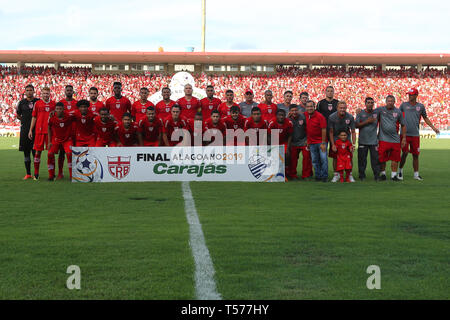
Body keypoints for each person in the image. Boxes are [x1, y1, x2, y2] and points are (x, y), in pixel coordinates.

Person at [398, 88, 440, 180]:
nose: (409, 96)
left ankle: (416, 174)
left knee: (416, 155)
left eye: (411, 94)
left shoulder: (421, 106)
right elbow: (397, 116)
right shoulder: (403, 105)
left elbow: (425, 118)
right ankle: (400, 171)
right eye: (409, 94)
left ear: (416, 95)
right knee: (404, 153)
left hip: (415, 135)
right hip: (404, 134)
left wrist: (433, 128)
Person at [374, 95, 407, 181]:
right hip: (383, 139)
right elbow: (370, 112)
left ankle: (393, 176)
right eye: (388, 101)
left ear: (394, 102)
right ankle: (383, 175)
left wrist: (403, 138)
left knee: (395, 158)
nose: (390, 102)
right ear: (386, 102)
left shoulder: (398, 112)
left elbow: (403, 125)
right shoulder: (380, 110)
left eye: (392, 101)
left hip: (395, 139)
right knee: (382, 158)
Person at [28, 87, 55, 180]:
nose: (46, 95)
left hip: (50, 132)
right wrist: (30, 130)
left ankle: (51, 174)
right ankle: (36, 174)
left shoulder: (53, 104)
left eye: (47, 93)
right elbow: (34, 117)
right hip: (39, 131)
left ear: (50, 94)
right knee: (38, 152)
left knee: (50, 154)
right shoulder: (37, 103)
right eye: (44, 93)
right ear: (41, 94)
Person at [328, 101, 356, 182]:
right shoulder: (332, 117)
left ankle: (349, 175)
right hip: (336, 139)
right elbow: (331, 132)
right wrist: (333, 144)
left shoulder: (350, 117)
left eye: (344, 108)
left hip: (346, 139)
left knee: (349, 157)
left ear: (346, 108)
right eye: (341, 108)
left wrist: (353, 144)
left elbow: (353, 131)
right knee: (335, 157)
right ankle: (336, 175)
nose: (342, 109)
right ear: (337, 108)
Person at [16, 84, 39, 180]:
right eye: (27, 90)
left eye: (31, 90)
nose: (29, 92)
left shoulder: (38, 102)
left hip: (36, 130)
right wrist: (25, 122)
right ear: (25, 92)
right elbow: (18, 115)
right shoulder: (21, 103)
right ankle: (28, 173)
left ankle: (36, 174)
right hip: (25, 131)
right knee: (26, 152)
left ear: (34, 91)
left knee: (35, 153)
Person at [47, 102, 74, 181]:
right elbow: (48, 128)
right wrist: (49, 142)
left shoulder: (68, 116)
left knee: (69, 154)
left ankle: (72, 176)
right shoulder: (52, 117)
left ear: (63, 109)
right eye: (57, 109)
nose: (59, 110)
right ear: (55, 110)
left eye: (60, 109)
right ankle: (51, 175)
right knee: (50, 154)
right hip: (56, 140)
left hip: (67, 140)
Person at [355, 97, 380, 181]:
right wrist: (367, 122)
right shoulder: (360, 113)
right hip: (363, 141)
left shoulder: (377, 113)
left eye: (371, 103)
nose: (370, 104)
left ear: (373, 104)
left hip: (374, 141)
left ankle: (377, 176)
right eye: (368, 102)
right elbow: (356, 125)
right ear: (365, 104)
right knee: (362, 160)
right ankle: (362, 176)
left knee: (375, 160)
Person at [57, 85, 78, 179]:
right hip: (63, 132)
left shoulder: (77, 103)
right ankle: (60, 173)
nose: (69, 92)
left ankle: (75, 172)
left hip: (74, 131)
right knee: (62, 153)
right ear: (64, 91)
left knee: (74, 153)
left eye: (70, 90)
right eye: (67, 90)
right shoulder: (61, 103)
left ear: (73, 92)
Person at [287, 104, 312, 180]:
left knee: (307, 158)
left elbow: (308, 128)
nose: (294, 112)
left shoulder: (303, 117)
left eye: (296, 110)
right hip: (293, 142)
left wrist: (308, 139)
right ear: (289, 111)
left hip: (303, 141)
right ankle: (293, 175)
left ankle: (306, 175)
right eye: (292, 111)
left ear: (298, 110)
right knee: (293, 160)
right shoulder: (287, 119)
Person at [304, 100, 328, 182]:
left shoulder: (320, 116)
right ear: (306, 107)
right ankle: (318, 176)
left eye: (311, 106)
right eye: (308, 106)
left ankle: (324, 176)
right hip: (311, 142)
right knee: (314, 160)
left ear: (314, 107)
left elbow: (324, 129)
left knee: (323, 159)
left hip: (320, 142)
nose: (309, 108)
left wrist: (323, 143)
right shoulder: (305, 115)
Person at [268, 109, 293, 174]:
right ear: (276, 116)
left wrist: (288, 147)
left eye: (282, 115)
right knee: (274, 157)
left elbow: (290, 135)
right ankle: (274, 172)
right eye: (279, 115)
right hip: (275, 142)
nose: (281, 117)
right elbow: (268, 135)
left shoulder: (289, 123)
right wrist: (271, 147)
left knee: (287, 155)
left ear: (285, 116)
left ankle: (286, 171)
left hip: (284, 142)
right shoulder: (272, 123)